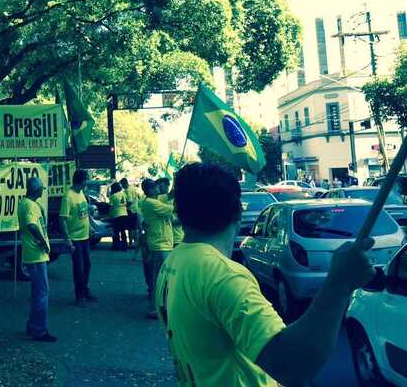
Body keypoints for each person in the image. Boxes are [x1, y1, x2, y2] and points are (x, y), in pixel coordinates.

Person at [156, 162, 376, 386]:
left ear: (179, 213)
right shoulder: (221, 276)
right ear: (237, 212)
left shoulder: (173, 262)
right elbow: (292, 366)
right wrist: (338, 285)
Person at [17, 177, 56, 342]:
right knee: (42, 293)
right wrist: (42, 242)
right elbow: (32, 225)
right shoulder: (29, 205)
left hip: (34, 253)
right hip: (36, 254)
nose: (42, 190)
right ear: (36, 189)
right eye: (41, 188)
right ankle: (39, 330)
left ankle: (32, 326)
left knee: (38, 293)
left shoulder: (27, 203)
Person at [59, 169, 97, 307]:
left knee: (87, 264)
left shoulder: (81, 192)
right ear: (81, 181)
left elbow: (84, 213)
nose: (89, 181)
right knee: (78, 267)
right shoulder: (68, 196)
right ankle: (79, 296)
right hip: (75, 238)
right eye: (87, 179)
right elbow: (62, 219)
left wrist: (91, 227)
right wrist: (67, 239)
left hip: (85, 236)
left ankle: (85, 290)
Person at [140, 178, 174, 318]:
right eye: (155, 187)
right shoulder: (151, 203)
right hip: (159, 244)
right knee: (160, 278)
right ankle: (155, 308)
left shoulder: (155, 200)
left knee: (161, 277)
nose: (158, 188)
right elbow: (173, 208)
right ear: (149, 190)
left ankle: (158, 306)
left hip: (162, 243)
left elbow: (170, 195)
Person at [156, 177, 183, 246]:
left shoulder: (177, 199)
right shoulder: (157, 199)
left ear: (167, 186)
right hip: (164, 240)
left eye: (160, 186)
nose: (158, 188)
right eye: (157, 186)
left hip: (178, 237)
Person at [108, 181, 129, 250]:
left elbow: (111, 207)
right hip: (124, 214)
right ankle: (125, 246)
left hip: (116, 214)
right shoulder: (123, 194)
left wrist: (110, 215)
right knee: (123, 231)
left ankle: (116, 246)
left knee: (116, 231)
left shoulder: (113, 196)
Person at [121, 177, 139, 248]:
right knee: (135, 227)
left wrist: (123, 206)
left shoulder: (128, 190)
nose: (122, 186)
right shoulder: (133, 188)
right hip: (135, 209)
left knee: (130, 228)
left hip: (130, 210)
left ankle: (131, 243)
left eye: (122, 185)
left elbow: (130, 202)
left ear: (125, 183)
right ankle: (136, 242)